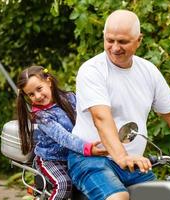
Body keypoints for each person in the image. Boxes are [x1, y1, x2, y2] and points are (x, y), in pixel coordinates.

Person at [68, 9, 170, 200]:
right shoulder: (92, 70)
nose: (115, 47)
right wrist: (121, 156)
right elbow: (101, 118)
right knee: (118, 197)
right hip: (91, 161)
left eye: (123, 41)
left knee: (168, 196)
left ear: (139, 40)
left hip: (132, 165)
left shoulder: (148, 71)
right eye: (110, 40)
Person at [16, 66, 107, 200]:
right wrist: (88, 149)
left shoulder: (70, 98)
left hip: (74, 155)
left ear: (49, 81)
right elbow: (64, 138)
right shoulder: (41, 116)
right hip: (51, 160)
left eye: (39, 89)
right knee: (64, 184)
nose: (37, 96)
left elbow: (90, 117)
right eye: (31, 94)